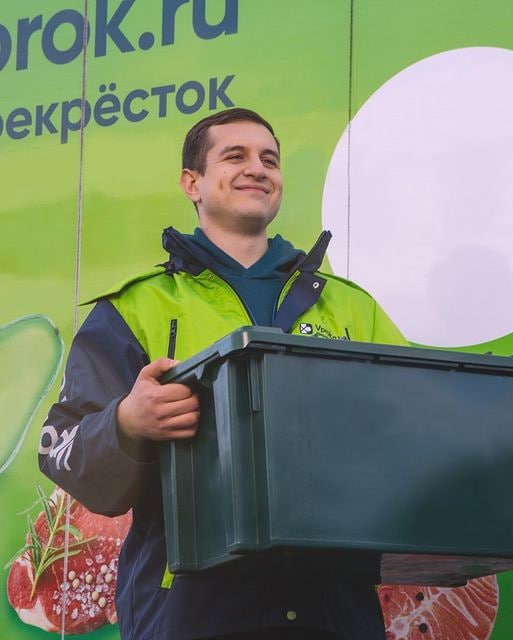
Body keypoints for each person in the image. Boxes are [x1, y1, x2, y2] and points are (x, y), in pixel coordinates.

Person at [39, 107, 407, 640]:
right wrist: (127, 422)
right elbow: (61, 446)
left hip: (333, 612)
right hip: (190, 612)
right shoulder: (134, 308)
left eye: (269, 159)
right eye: (235, 156)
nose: (257, 168)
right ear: (192, 183)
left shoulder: (353, 309)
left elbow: (412, 427)